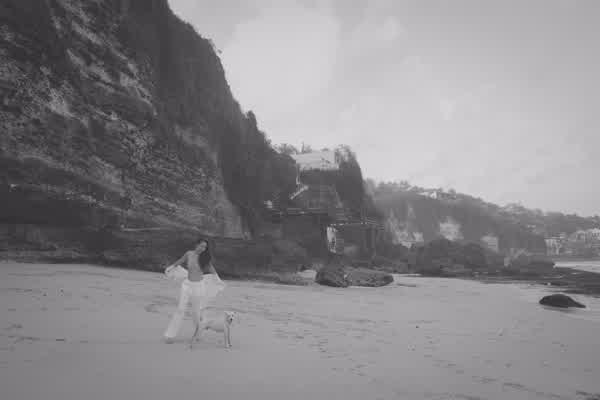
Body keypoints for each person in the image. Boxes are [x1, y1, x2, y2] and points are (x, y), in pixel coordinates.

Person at [163, 238, 226, 343]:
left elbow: (211, 269)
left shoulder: (204, 258)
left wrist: (217, 280)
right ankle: (170, 335)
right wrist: (171, 267)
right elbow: (180, 261)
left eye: (205, 247)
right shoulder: (189, 254)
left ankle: (198, 333)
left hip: (199, 287)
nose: (203, 248)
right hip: (187, 285)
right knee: (180, 309)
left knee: (196, 313)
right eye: (201, 246)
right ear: (196, 245)